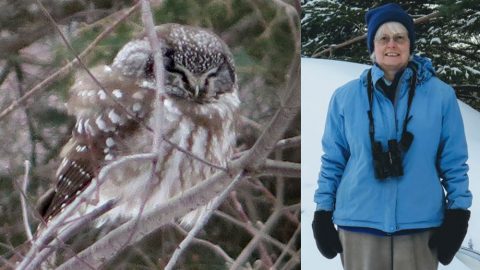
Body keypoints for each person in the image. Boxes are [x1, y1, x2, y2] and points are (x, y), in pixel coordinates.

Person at [311, 3, 472, 270]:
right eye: (383, 38)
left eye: (400, 37)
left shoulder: (440, 96)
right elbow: (333, 160)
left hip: (420, 229)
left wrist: (458, 214)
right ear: (372, 46)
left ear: (410, 44)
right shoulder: (346, 97)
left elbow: (454, 162)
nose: (392, 45)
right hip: (359, 227)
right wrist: (322, 211)